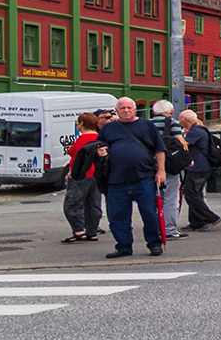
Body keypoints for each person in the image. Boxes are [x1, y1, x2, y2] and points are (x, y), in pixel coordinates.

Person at [96, 97, 167, 258]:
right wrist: (99, 151)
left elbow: (159, 149)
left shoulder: (147, 125)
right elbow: (99, 146)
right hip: (116, 180)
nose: (126, 110)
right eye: (122, 108)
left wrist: (161, 171)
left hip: (144, 178)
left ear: (135, 110)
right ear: (117, 110)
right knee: (117, 216)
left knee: (149, 213)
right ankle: (123, 246)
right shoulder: (108, 129)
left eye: (129, 107)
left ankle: (154, 244)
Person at [62, 111, 104, 243]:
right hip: (97, 175)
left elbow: (73, 153)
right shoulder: (100, 138)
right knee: (93, 204)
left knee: (73, 203)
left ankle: (78, 230)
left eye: (78, 122)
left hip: (81, 174)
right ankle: (92, 231)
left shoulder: (82, 139)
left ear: (81, 124)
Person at [178, 110, 221, 232]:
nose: (179, 122)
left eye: (180, 119)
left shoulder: (195, 131)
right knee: (193, 194)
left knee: (192, 194)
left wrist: (174, 137)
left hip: (199, 168)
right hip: (199, 167)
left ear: (186, 119)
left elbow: (184, 144)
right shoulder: (198, 130)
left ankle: (210, 218)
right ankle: (196, 222)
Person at [151, 100, 188, 240]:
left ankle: (154, 227)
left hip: (150, 163)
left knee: (154, 197)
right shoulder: (172, 122)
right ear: (171, 111)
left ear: (154, 112)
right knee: (170, 198)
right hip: (169, 164)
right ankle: (169, 229)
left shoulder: (147, 123)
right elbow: (180, 141)